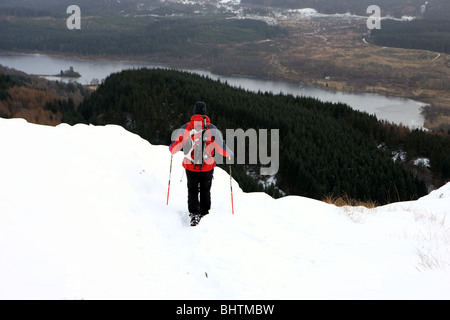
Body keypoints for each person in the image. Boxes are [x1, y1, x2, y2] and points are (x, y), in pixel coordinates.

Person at [169, 101, 233, 226]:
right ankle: (204, 212)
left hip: (190, 166)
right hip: (207, 167)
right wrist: (229, 153)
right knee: (205, 190)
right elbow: (220, 148)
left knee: (192, 190)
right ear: (205, 113)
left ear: (194, 112)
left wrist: (171, 148)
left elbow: (176, 146)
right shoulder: (212, 128)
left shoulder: (186, 127)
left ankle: (194, 215)